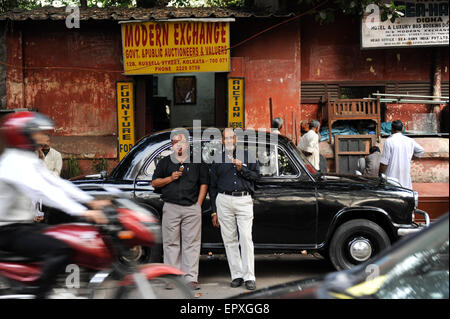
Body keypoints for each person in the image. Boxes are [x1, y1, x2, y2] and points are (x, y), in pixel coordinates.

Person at [0, 111, 109, 298]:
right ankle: (40, 294)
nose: (42, 136)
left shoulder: (25, 158)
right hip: (7, 231)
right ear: (22, 135)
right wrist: (84, 212)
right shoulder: (13, 162)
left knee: (67, 237)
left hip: (21, 227)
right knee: (60, 249)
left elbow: (56, 182)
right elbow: (42, 190)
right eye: (36, 132)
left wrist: (90, 201)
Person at [151, 132, 208, 291]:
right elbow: (155, 183)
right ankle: (172, 278)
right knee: (171, 244)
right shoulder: (165, 162)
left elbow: (204, 183)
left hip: (192, 208)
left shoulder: (197, 161)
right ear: (172, 145)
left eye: (181, 142)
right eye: (175, 142)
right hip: (171, 207)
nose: (179, 145)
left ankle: (191, 279)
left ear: (187, 144)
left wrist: (198, 204)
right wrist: (170, 178)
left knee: (192, 244)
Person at [210, 128, 260, 291]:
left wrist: (241, 169)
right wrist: (214, 210)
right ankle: (237, 275)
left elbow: (257, 177)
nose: (229, 140)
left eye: (232, 137)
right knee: (229, 239)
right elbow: (212, 187)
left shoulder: (248, 155)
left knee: (245, 238)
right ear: (223, 141)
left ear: (236, 139)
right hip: (223, 200)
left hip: (244, 200)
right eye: (226, 138)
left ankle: (249, 277)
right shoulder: (217, 159)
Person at [379, 120, 424, 189]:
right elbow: (421, 150)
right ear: (402, 129)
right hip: (405, 178)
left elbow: (384, 162)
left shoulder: (389, 141)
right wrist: (411, 157)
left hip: (391, 179)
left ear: (392, 129)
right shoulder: (410, 141)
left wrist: (380, 175)